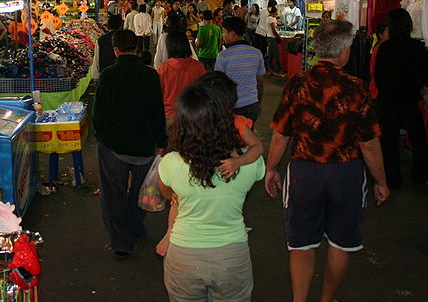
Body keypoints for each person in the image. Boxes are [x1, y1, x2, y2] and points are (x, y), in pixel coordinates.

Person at [265, 20, 389, 302]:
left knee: (302, 245)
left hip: (304, 172)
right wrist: (381, 181)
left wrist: (271, 168)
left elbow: (281, 133)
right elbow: (369, 144)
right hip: (346, 173)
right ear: (345, 51)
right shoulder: (356, 87)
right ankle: (327, 299)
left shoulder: (297, 83)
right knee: (340, 243)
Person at [158, 84, 265, 301]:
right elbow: (257, 152)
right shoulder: (246, 163)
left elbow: (167, 194)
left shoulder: (170, 163)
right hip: (232, 258)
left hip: (183, 257)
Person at [93, 29, 167, 259]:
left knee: (113, 194)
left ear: (115, 49)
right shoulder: (150, 75)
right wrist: (161, 142)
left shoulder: (108, 75)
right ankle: (136, 225)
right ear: (136, 48)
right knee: (140, 191)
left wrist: (101, 135)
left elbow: (99, 113)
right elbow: (157, 112)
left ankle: (121, 241)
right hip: (144, 145)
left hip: (113, 145)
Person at [373, 8, 428, 189]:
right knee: (418, 140)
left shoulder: (384, 48)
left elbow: (378, 77)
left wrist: (384, 96)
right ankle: (419, 175)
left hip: (387, 102)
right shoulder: (417, 47)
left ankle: (393, 180)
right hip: (408, 101)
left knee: (389, 142)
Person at [215, 16, 266, 123]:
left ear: (232, 34)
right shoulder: (257, 53)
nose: (222, 36)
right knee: (249, 137)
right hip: (251, 104)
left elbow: (219, 84)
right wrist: (259, 102)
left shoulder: (223, 56)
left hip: (231, 107)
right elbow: (260, 82)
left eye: (224, 32)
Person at [157, 31, 207, 121]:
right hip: (192, 115)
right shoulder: (198, 66)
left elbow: (158, 92)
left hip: (169, 116)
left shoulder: (163, 68)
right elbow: (204, 91)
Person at [90, 14, 123, 78]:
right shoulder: (124, 38)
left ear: (108, 26)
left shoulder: (101, 40)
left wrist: (96, 76)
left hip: (105, 75)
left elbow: (97, 59)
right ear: (120, 25)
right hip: (121, 74)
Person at [257, 6, 284, 76]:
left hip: (269, 37)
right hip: (272, 38)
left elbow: (275, 24)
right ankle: (278, 70)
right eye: (276, 12)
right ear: (274, 12)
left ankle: (270, 69)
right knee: (276, 54)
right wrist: (278, 37)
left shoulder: (272, 18)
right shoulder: (270, 19)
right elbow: (273, 30)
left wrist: (280, 24)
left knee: (270, 54)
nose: (277, 13)